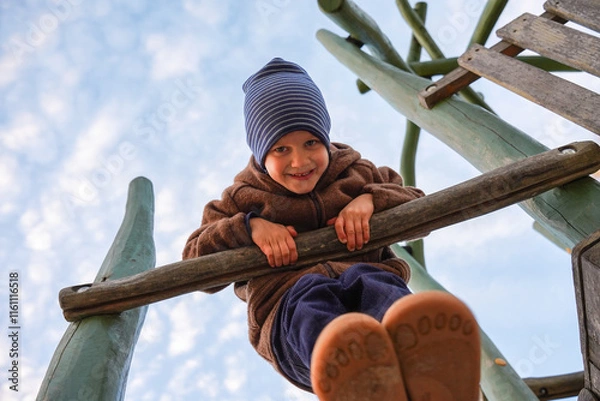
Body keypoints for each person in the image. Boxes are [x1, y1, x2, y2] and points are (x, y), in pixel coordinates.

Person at [183, 57, 481, 401]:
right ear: (261, 154)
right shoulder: (243, 198)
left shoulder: (357, 172)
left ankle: (428, 366)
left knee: (376, 284)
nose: (300, 161)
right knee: (311, 298)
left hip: (367, 274)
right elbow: (194, 256)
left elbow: (417, 204)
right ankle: (354, 372)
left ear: (326, 137)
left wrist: (370, 200)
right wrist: (249, 227)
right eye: (281, 149)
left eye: (311, 142)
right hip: (287, 314)